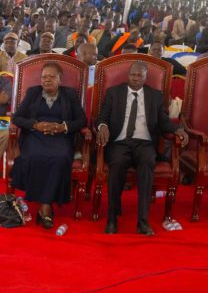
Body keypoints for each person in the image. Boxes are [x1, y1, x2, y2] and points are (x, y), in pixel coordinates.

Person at [97, 60, 188, 235]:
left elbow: (163, 122)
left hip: (144, 142)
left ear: (146, 77)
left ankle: (143, 221)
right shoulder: (114, 93)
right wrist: (102, 126)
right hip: (120, 141)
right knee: (117, 163)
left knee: (147, 163)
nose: (136, 78)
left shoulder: (155, 95)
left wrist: (178, 129)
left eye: (140, 75)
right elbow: (102, 117)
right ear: (128, 75)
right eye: (133, 74)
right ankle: (112, 218)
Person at [9, 62, 88, 229]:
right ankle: (46, 207)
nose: (47, 80)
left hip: (61, 136)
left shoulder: (69, 94)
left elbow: (82, 120)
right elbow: (16, 118)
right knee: (35, 156)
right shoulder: (33, 93)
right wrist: (35, 125)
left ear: (60, 79)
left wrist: (63, 127)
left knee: (60, 157)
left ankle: (44, 206)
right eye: (44, 77)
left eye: (52, 76)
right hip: (35, 135)